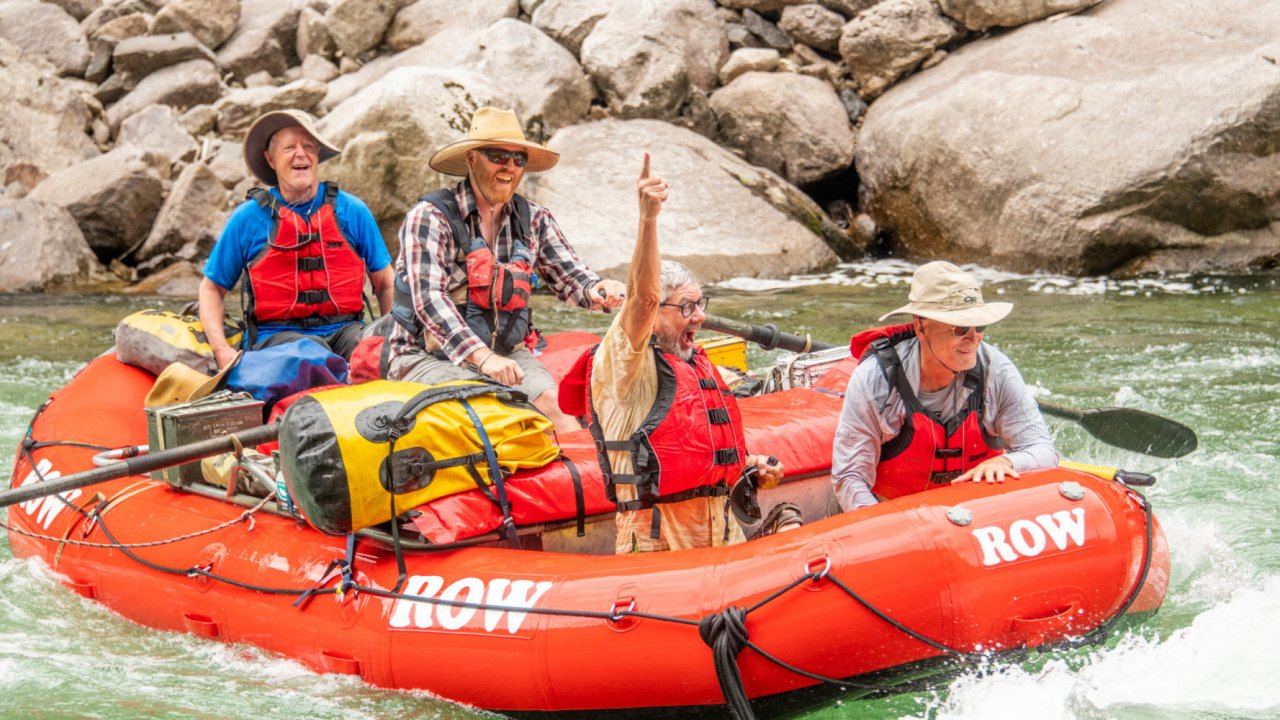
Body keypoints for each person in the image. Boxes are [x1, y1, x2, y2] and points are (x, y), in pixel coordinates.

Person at [559, 154, 786, 553]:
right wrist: (648, 220)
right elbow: (644, 297)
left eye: (701, 304)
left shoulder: (692, 359)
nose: (699, 316)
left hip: (721, 528)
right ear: (655, 313)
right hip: (658, 537)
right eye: (686, 307)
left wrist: (750, 466)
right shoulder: (624, 359)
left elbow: (700, 446)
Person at [387, 107, 626, 433]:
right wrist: (482, 357)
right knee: (497, 417)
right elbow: (428, 299)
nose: (509, 167)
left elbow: (570, 274)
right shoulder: (430, 217)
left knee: (559, 414)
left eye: (518, 159)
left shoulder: (534, 218)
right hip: (426, 358)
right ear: (471, 159)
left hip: (507, 355)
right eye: (497, 156)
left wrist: (596, 289)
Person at [832, 261, 1058, 511]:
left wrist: (1009, 463)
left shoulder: (997, 371)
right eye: (959, 327)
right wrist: (883, 531)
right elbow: (849, 478)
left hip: (977, 518)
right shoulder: (876, 380)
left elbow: (1044, 451)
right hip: (896, 519)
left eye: (979, 326)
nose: (973, 338)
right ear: (920, 326)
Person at [199, 110, 394, 369]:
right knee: (313, 357)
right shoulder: (248, 218)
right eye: (289, 147)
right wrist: (221, 350)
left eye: (309, 147)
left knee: (379, 352)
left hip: (346, 332)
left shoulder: (352, 210)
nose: (300, 154)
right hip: (277, 340)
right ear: (270, 159)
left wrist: (394, 340)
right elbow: (211, 288)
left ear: (316, 157)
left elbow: (385, 283)